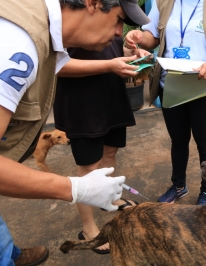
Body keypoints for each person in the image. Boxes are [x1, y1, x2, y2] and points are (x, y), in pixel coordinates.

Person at [0, 0, 149, 265]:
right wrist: (75, 188)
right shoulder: (18, 41)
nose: (119, 31)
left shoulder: (39, 28)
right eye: (117, 19)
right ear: (93, 3)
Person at [124, 0, 206, 205]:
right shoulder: (164, 3)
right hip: (171, 85)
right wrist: (137, 36)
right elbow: (152, 38)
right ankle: (178, 186)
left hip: (204, 87)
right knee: (178, 141)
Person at [54, 39, 151, 254]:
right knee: (89, 166)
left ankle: (110, 198)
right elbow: (56, 64)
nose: (119, 30)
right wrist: (109, 65)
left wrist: (129, 53)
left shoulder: (109, 14)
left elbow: (109, 49)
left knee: (110, 151)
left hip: (110, 94)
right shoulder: (63, 15)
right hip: (81, 100)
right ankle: (88, 228)